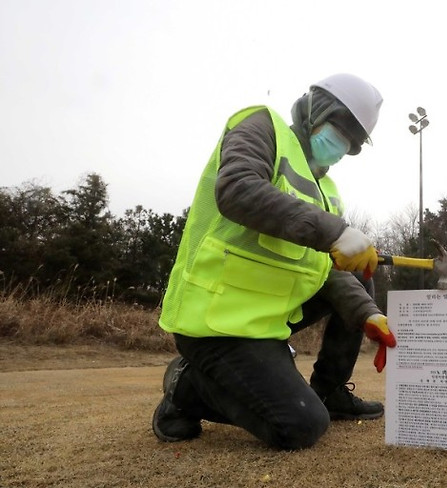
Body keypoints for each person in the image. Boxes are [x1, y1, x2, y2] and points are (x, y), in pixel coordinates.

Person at [151, 73, 397, 450]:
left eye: (350, 142)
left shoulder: (326, 191)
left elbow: (323, 269)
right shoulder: (261, 126)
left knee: (359, 277)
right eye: (339, 131)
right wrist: (333, 231)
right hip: (213, 324)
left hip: (264, 324)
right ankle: (185, 386)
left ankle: (330, 392)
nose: (341, 146)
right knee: (301, 425)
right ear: (315, 110)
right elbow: (237, 189)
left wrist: (367, 314)